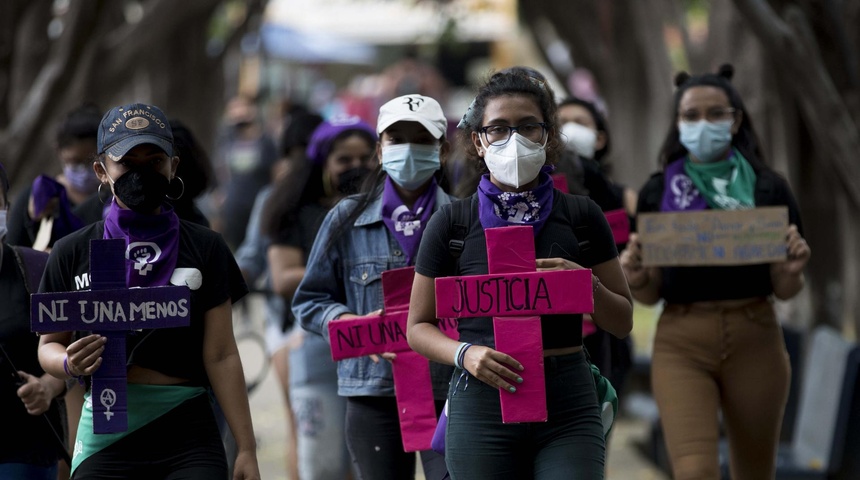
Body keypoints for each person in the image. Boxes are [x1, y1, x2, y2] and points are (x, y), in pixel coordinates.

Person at [406, 69, 633, 479]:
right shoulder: (452, 223)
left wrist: (584, 284)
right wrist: (464, 354)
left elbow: (622, 321)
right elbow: (417, 326)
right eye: (498, 128)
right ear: (478, 140)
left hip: (568, 401)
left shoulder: (582, 216)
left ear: (548, 136)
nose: (515, 140)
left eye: (528, 126)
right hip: (480, 400)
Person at [36, 103, 261, 480]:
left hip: (188, 430)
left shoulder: (206, 247)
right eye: (127, 162)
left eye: (154, 161)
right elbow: (47, 346)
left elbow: (221, 355)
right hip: (107, 430)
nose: (141, 172)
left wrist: (247, 448)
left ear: (173, 166)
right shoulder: (72, 251)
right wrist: (68, 364)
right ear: (102, 170)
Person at [619, 64, 811, 479]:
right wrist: (636, 277)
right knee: (694, 472)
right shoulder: (657, 192)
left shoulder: (767, 189)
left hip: (756, 338)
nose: (702, 124)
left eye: (715, 114)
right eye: (691, 115)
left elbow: (785, 288)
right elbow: (651, 292)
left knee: (755, 472)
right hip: (681, 344)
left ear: (736, 119)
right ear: (678, 123)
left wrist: (792, 270)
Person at [292, 94, 454, 480]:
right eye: (396, 139)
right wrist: (351, 322)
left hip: (449, 392)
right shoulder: (345, 218)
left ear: (442, 151)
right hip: (371, 393)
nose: (408, 149)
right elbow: (309, 301)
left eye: (422, 139)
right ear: (379, 150)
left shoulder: (463, 220)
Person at [264, 113, 377, 480]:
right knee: (322, 462)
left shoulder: (385, 209)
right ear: (323, 163)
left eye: (365, 158)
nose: (356, 167)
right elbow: (283, 279)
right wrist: (360, 271)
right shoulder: (296, 212)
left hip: (377, 347)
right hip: (314, 346)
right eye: (344, 159)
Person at [234, 109, 322, 480]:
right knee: (304, 428)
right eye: (296, 152)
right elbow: (252, 257)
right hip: (288, 325)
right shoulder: (274, 198)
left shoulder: (344, 198)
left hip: (342, 324)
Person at [557, 96, 635, 394]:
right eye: (562, 123)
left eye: (580, 123)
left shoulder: (622, 197)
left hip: (608, 328)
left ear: (600, 137)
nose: (570, 130)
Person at [0, 162, 68, 480]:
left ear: (6, 208)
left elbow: (73, 355)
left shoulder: (38, 269)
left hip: (26, 452)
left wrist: (47, 387)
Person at [6, 103, 102, 249]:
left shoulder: (115, 200)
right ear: (59, 151)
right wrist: (33, 221)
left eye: (91, 161)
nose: (84, 170)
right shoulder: (38, 199)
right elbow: (12, 254)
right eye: (75, 161)